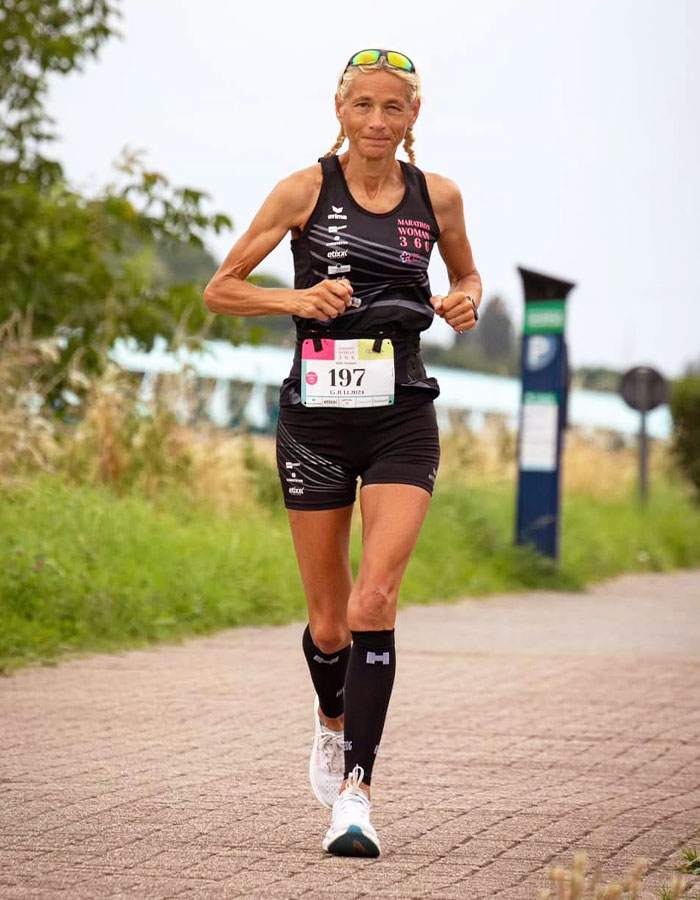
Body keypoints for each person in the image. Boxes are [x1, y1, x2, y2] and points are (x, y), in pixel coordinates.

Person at [204, 48, 482, 857]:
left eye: (392, 108)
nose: (376, 122)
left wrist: (462, 300)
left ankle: (357, 795)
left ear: (413, 117)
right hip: (316, 423)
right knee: (329, 625)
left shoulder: (440, 197)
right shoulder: (302, 189)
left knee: (374, 604)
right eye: (362, 105)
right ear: (339, 108)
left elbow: (468, 277)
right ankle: (332, 722)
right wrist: (295, 297)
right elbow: (221, 288)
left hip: (402, 416)